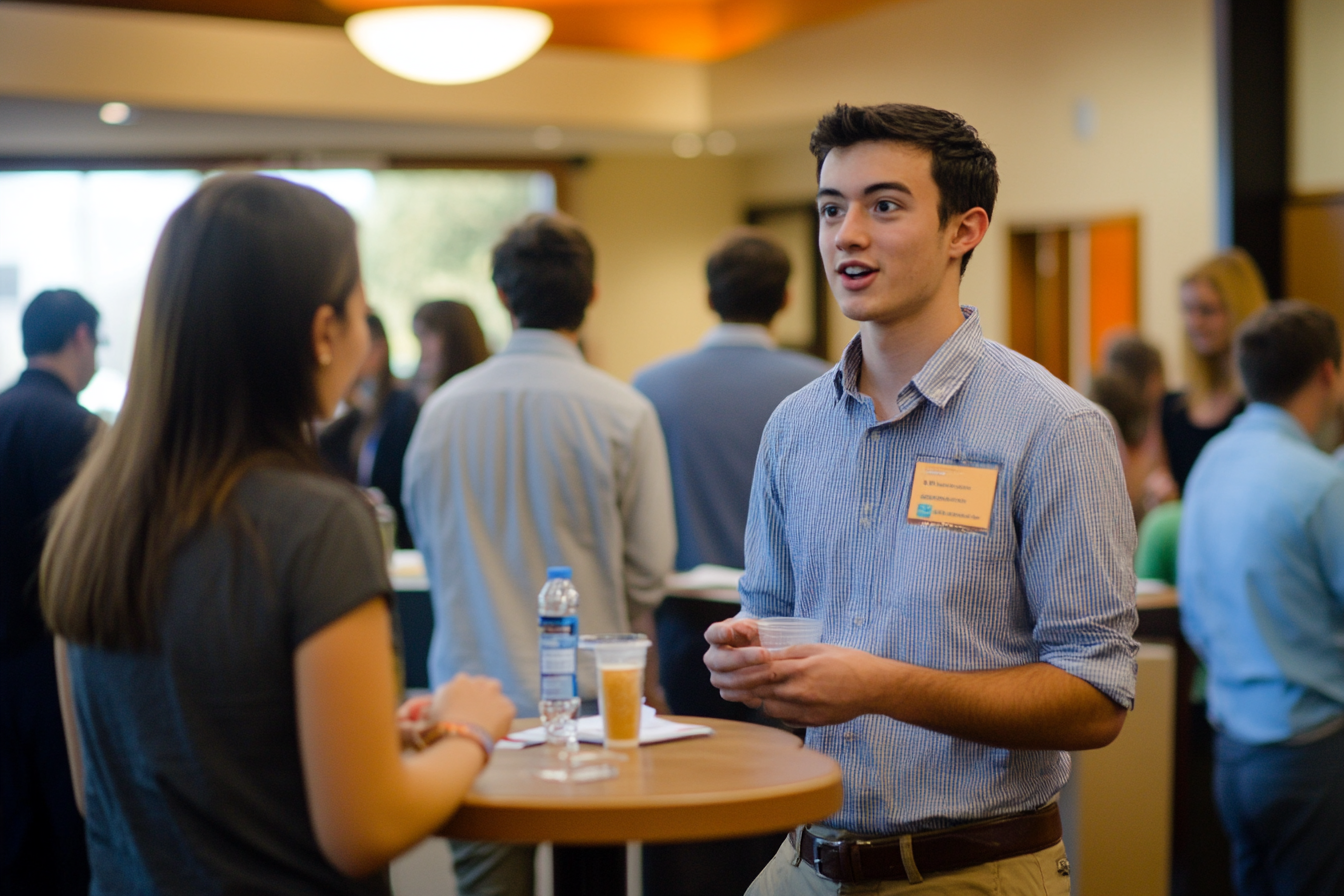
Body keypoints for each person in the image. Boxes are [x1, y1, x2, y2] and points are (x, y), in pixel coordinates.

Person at [705, 103, 1138, 894]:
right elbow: (772, 629)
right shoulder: (795, 427)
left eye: (885, 205)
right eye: (832, 208)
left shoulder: (1053, 427)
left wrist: (879, 685)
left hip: (972, 868)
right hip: (805, 860)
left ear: (963, 230)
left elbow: (1095, 698)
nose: (848, 235)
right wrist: (748, 661)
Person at [39, 174, 515, 895]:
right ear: (324, 332)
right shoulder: (320, 523)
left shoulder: (90, 517)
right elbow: (365, 828)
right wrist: (469, 732)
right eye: (359, 311)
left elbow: (103, 783)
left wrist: (364, 737)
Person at [402, 212, 676, 896]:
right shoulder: (622, 409)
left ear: (500, 296)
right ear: (592, 295)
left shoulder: (440, 411)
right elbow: (648, 567)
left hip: (469, 701)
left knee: (489, 886)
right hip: (592, 703)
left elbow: (426, 538)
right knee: (595, 884)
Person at [633, 230, 830, 896]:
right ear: (786, 297)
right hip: (790, 638)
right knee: (774, 809)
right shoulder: (824, 387)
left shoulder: (651, 389)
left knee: (685, 806)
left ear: (708, 296)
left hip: (686, 636)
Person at [1178, 300, 1344, 896]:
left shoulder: (1212, 462)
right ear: (1328, 373)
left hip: (1231, 751)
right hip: (1310, 753)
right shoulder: (1321, 484)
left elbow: (1192, 604)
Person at [0, 288, 100, 896]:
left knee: (12, 840)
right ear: (81, 338)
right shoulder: (78, 430)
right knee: (67, 838)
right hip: (54, 664)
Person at [1162, 248, 1268, 493]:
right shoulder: (1172, 408)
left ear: (1239, 311)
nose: (1194, 322)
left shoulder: (1261, 406)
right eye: (1187, 310)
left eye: (1207, 310)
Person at [319, 313, 420, 548]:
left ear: (377, 349)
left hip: (396, 538)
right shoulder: (350, 413)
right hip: (356, 535)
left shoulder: (402, 407)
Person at [411, 299, 490, 405]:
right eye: (418, 337)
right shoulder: (411, 396)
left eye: (426, 335)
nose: (422, 347)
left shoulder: (482, 396)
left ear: (456, 340)